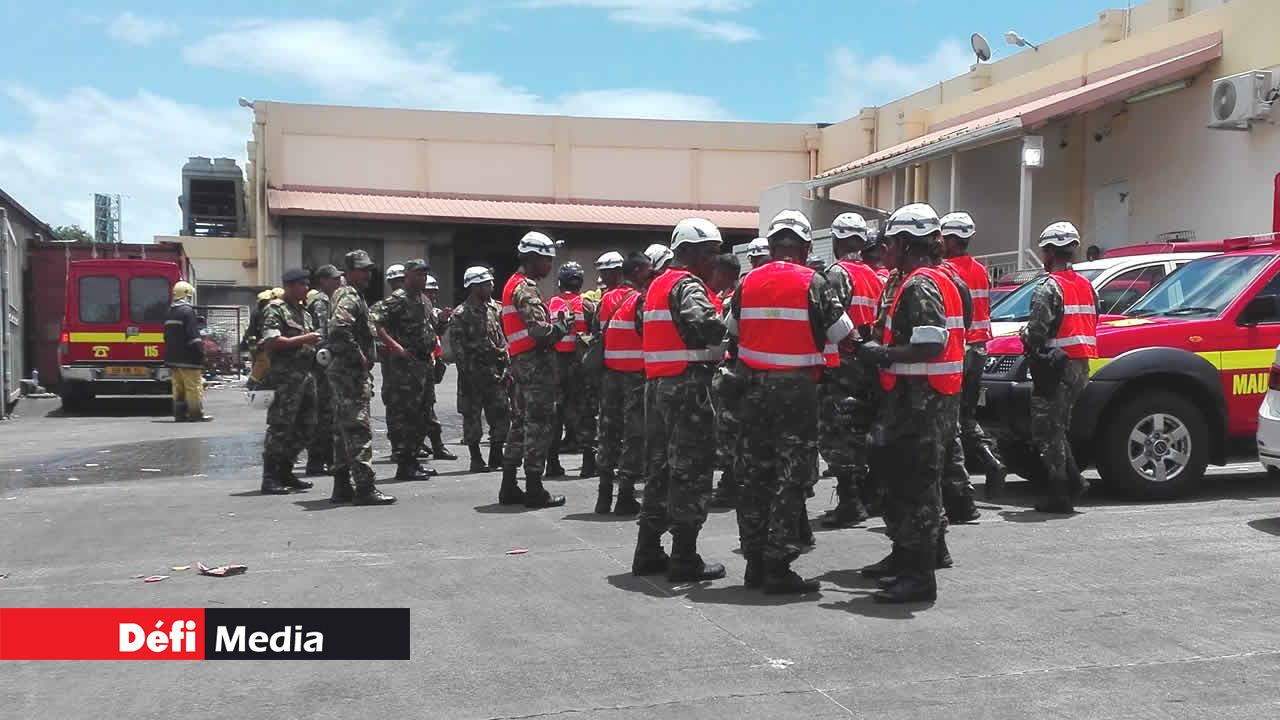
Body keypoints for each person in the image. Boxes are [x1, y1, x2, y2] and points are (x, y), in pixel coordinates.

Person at [729, 210, 853, 593]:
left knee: (754, 476)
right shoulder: (813, 282)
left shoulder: (746, 283)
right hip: (796, 395)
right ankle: (778, 564)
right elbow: (842, 335)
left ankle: (754, 562)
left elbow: (731, 333)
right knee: (791, 477)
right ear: (802, 246)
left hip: (751, 392)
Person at [852, 203, 964, 604]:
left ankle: (917, 577)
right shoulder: (930, 278)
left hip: (922, 400)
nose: (885, 251)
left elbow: (931, 343)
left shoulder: (921, 284)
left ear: (904, 243)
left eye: (890, 243)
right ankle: (908, 558)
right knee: (917, 484)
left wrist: (882, 355)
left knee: (913, 487)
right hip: (927, 396)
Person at [631, 218, 727, 582]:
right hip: (686, 386)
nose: (714, 262)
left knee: (659, 468)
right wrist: (729, 325)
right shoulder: (688, 285)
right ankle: (685, 557)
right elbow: (706, 325)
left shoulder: (656, 285)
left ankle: (648, 550)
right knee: (692, 469)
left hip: (657, 387)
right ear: (686, 252)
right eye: (710, 253)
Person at [1022, 221, 1098, 514]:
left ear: (1051, 251)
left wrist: (1023, 336)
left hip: (1055, 367)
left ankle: (1060, 491)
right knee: (1059, 427)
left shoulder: (1049, 287)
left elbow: (1036, 332)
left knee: (1046, 431)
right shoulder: (1086, 286)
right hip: (1081, 365)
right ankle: (1074, 480)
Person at [818, 212, 884, 528]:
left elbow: (830, 321)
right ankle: (869, 496)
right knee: (862, 432)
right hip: (869, 364)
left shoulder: (836, 274)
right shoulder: (874, 276)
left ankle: (849, 501)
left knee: (837, 435)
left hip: (841, 366)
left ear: (836, 240)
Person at [500, 231, 574, 509]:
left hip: (521, 364)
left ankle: (509, 485)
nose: (550, 267)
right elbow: (540, 331)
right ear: (533, 259)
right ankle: (534, 488)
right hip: (535, 365)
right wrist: (562, 327)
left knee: (519, 425)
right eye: (547, 260)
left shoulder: (512, 285)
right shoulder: (525, 288)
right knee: (538, 426)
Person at [940, 213, 1009, 500]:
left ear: (953, 240)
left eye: (944, 238)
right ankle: (991, 462)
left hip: (960, 349)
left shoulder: (945, 270)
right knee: (966, 416)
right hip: (980, 348)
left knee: (948, 417)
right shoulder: (981, 270)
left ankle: (958, 482)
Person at [328, 250, 396, 506]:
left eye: (369, 269)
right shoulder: (348, 295)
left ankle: (341, 485)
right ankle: (365, 488)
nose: (368, 274)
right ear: (349, 270)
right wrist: (359, 356)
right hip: (350, 374)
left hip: (346, 373)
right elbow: (339, 329)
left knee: (342, 430)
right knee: (358, 429)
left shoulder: (350, 294)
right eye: (362, 269)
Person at [373, 259, 439, 483]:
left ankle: (413, 462)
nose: (422, 278)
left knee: (422, 415)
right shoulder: (398, 300)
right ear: (407, 276)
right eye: (418, 274)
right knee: (407, 416)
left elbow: (430, 327)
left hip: (423, 364)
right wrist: (394, 346)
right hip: (405, 367)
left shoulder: (423, 300)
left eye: (424, 275)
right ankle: (405, 464)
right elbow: (374, 322)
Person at [594, 251, 649, 515]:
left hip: (610, 375)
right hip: (635, 376)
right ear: (637, 272)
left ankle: (603, 495)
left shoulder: (605, 300)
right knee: (633, 436)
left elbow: (598, 331)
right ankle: (625, 495)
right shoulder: (639, 300)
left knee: (607, 433)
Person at [259, 268, 321, 495]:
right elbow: (272, 342)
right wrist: (306, 338)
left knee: (307, 425)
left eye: (307, 284)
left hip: (306, 376)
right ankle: (270, 477)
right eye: (302, 284)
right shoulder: (276, 309)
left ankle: (286, 470)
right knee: (281, 427)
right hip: (285, 379)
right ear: (289, 285)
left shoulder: (303, 312)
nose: (306, 288)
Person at [451, 266, 510, 473]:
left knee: (501, 414)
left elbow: (502, 338)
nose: (491, 286)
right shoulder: (461, 314)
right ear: (474, 287)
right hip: (472, 375)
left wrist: (505, 362)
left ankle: (496, 455)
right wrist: (470, 374)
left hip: (495, 374)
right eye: (486, 283)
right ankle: (476, 459)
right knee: (472, 417)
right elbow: (458, 351)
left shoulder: (494, 309)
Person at [547, 262, 595, 478]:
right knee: (584, 412)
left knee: (554, 413)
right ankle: (587, 463)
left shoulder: (550, 304)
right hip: (579, 364)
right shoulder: (586, 305)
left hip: (555, 364)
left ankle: (552, 462)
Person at [708, 252, 742, 509]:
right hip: (734, 368)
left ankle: (731, 483)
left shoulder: (734, 298)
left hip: (735, 370)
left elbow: (728, 333)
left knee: (730, 430)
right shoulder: (725, 296)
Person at [304, 265, 343, 476]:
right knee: (324, 412)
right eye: (335, 279)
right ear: (324, 281)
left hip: (325, 362)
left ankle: (322, 459)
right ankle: (319, 460)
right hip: (322, 364)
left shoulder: (331, 300)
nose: (339, 282)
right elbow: (321, 334)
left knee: (327, 411)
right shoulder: (321, 301)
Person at [422, 274, 458, 462]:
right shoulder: (411, 306)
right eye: (430, 292)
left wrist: (443, 320)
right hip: (411, 367)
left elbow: (438, 331)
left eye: (435, 293)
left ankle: (433, 445)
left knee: (427, 405)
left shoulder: (431, 310)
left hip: (429, 363)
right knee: (419, 408)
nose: (433, 296)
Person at [164, 281, 212, 422]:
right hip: (188, 358)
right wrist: (200, 353)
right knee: (193, 387)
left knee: (178, 387)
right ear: (187, 295)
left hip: (173, 358)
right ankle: (196, 414)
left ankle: (179, 414)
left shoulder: (170, 312)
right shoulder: (187, 311)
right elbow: (193, 336)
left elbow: (166, 336)